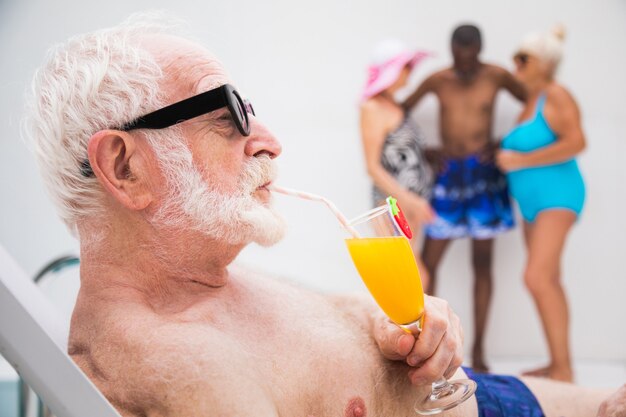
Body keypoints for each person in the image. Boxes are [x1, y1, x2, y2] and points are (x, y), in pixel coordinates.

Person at [24, 13, 616, 417]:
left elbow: (323, 334)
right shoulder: (174, 365)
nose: (269, 140)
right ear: (125, 167)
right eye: (228, 112)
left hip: (488, 392)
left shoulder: (200, 280)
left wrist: (412, 325)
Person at [403, 24, 526, 372]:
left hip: (485, 177)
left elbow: (536, 102)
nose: (466, 67)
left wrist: (505, 142)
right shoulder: (438, 79)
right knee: (428, 264)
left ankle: (481, 352)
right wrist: (423, 151)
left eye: (472, 60)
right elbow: (399, 111)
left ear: (480, 52)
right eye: (460, 59)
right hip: (449, 175)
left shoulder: (496, 75)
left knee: (483, 264)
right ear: (453, 51)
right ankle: (428, 345)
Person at [497, 25, 585, 383]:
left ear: (545, 63)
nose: (515, 65)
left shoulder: (557, 94)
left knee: (536, 277)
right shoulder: (531, 101)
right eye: (515, 57)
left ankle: (563, 369)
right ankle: (559, 364)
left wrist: (518, 161)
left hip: (557, 197)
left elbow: (577, 141)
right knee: (547, 279)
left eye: (523, 59)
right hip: (532, 204)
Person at [359, 39, 435, 289]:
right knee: (410, 279)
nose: (411, 72)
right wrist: (410, 200)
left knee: (411, 280)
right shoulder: (372, 108)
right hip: (392, 205)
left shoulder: (394, 105)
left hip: (411, 205)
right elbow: (373, 167)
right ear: (393, 70)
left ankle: (412, 329)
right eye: (407, 66)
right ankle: (400, 329)